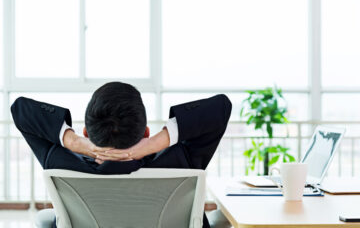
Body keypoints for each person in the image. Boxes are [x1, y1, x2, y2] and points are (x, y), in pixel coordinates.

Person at [11, 81, 232, 228]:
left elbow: (20, 109)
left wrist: (75, 142)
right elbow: (221, 107)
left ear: (87, 133)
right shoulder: (181, 161)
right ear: (146, 133)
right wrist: (154, 143)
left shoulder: (60, 161)